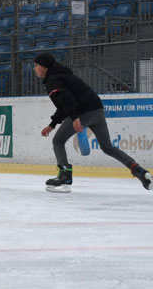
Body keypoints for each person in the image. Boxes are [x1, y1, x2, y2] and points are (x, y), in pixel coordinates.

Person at [34, 52, 151, 193]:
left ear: (45, 66)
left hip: (83, 112)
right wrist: (52, 124)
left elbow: (67, 101)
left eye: (36, 66)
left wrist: (75, 118)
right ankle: (138, 170)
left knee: (58, 141)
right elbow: (63, 106)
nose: (35, 69)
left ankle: (65, 175)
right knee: (108, 147)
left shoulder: (53, 80)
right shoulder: (63, 75)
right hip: (97, 110)